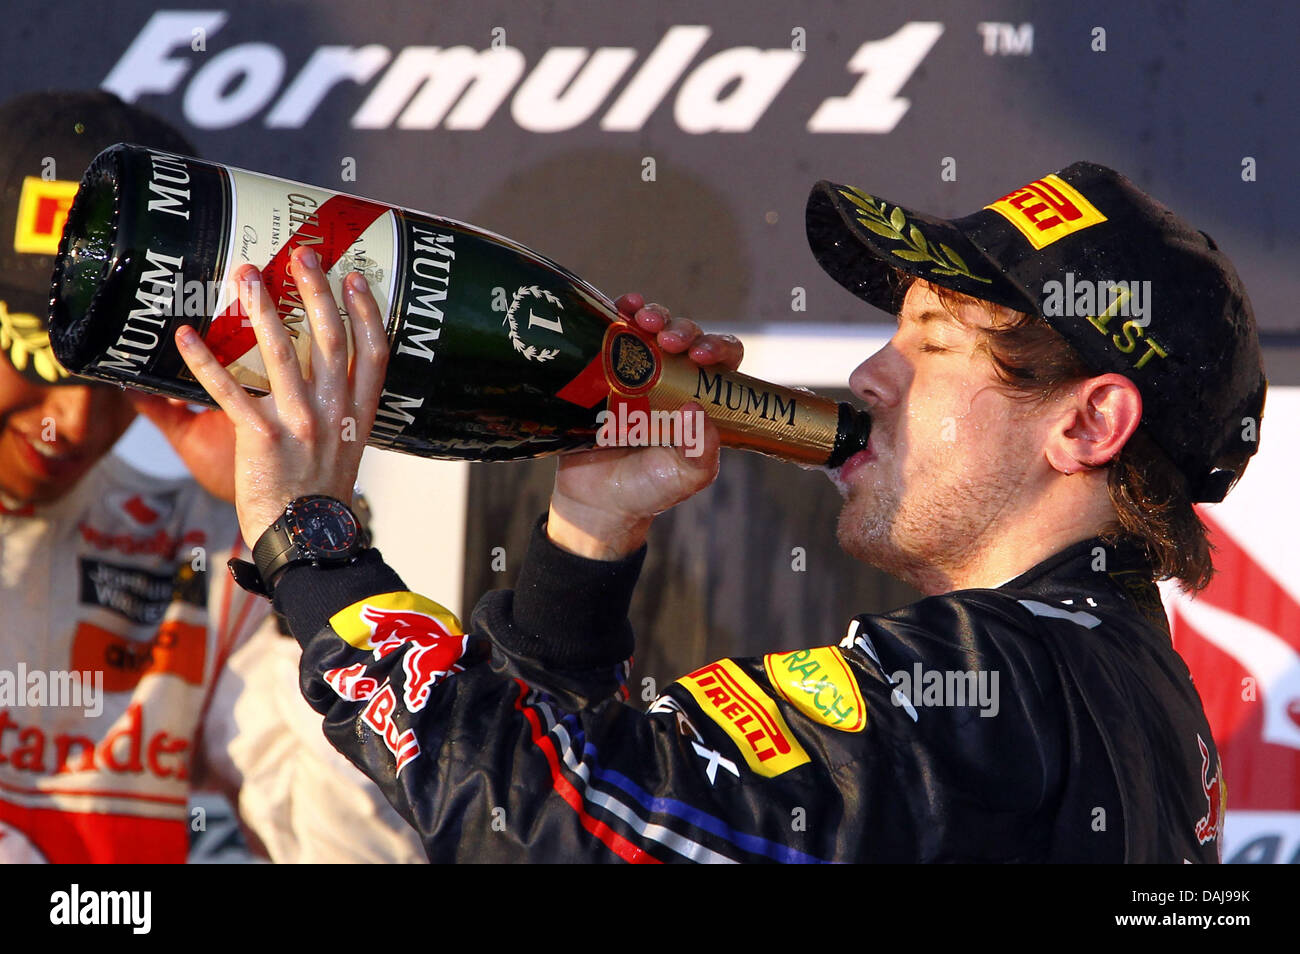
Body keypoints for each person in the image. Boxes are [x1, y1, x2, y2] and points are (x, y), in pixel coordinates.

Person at [181, 162, 1265, 862]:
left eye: (932, 345)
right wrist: (586, 548)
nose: (868, 377)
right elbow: (582, 814)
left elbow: (550, 831)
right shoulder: (1110, 681)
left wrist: (313, 540)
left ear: (1085, 426)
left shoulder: (995, 682)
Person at [0, 89, 424, 863]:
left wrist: (306, 536)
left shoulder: (204, 550)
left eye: (112, 378)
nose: (77, 420)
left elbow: (364, 849)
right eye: (33, 360)